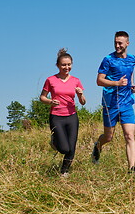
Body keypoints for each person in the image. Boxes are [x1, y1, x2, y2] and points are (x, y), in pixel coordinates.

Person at [91, 31, 135, 173]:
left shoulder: (132, 59)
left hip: (127, 102)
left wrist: (131, 85)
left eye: (120, 43)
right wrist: (117, 83)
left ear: (127, 43)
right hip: (111, 104)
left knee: (129, 135)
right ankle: (98, 146)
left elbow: (130, 73)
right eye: (115, 42)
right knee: (108, 137)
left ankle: (132, 169)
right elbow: (99, 80)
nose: (117, 45)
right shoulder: (108, 59)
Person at [40, 48, 86, 177]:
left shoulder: (76, 80)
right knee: (64, 148)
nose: (66, 67)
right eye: (63, 65)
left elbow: (83, 102)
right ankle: (54, 141)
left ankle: (64, 171)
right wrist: (50, 102)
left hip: (72, 116)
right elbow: (42, 97)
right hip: (56, 116)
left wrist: (80, 95)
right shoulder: (51, 80)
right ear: (58, 65)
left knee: (71, 148)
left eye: (69, 64)